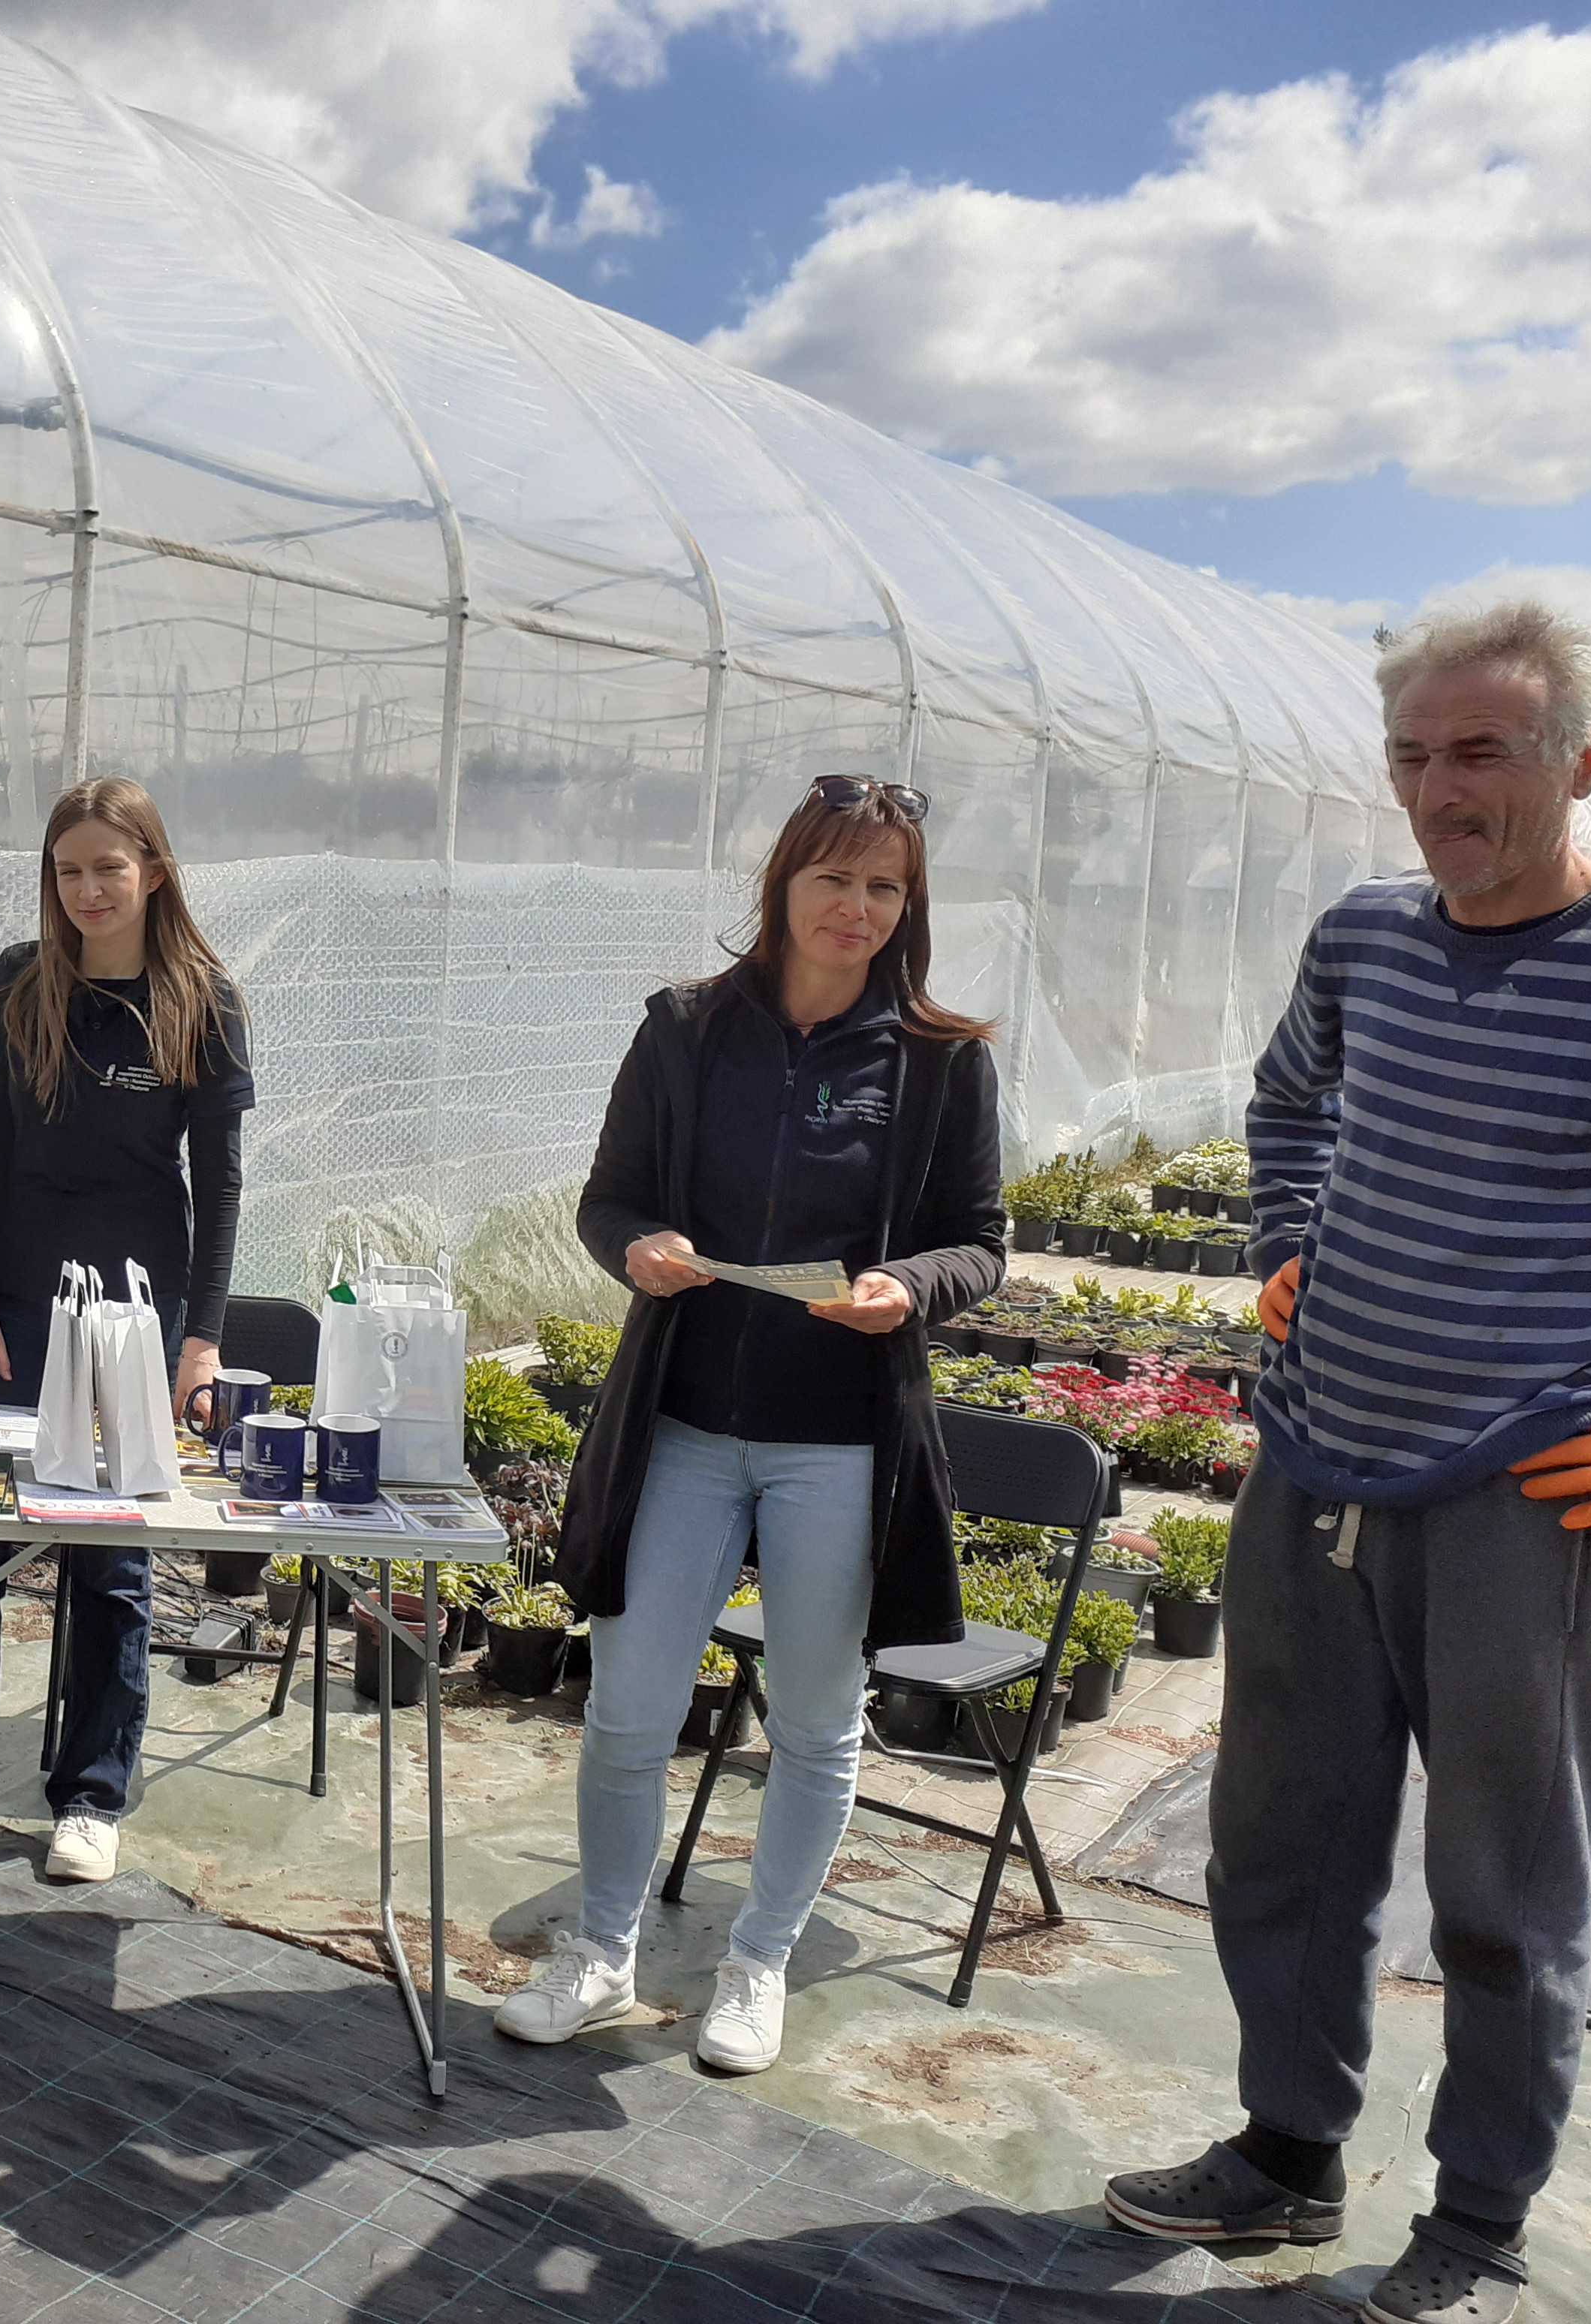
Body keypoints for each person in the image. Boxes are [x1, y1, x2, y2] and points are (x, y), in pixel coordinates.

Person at [1104, 602, 1591, 2324]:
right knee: (1283, 1833)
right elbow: (1287, 1103)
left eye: (1483, 753)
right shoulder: (1367, 937)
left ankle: (1477, 2223)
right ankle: (1286, 2153)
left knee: (1501, 1885)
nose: (1439, 790)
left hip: (1520, 1496)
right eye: (1412, 755)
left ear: (1587, 760)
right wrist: (1288, 1242)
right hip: (1314, 1454)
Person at [495, 774, 1003, 2074]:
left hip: (840, 1440)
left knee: (817, 1723)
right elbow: (608, 1200)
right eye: (834, 878)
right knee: (628, 1711)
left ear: (909, 904)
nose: (858, 908)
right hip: (683, 1428)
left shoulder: (939, 1061)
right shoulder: (685, 1031)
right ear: (782, 885)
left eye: (884, 887)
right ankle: (602, 1954)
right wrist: (639, 1246)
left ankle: (758, 1963)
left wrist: (912, 1287)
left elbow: (980, 1242)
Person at [0, 776, 252, 1886]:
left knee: (110, 1559)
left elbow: (220, 1186)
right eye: (68, 871)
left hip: (134, 1317)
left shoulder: (203, 999)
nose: (88, 890)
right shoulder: (20, 981)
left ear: (154, 871)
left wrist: (199, 1340)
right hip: (15, 1311)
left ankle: (92, 1798)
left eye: (109, 867)